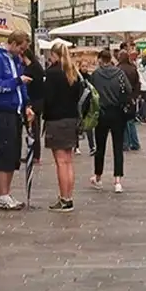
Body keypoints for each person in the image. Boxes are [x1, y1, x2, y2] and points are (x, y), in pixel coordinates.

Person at [0, 33, 32, 209]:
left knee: (13, 153)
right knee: (5, 151)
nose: (22, 52)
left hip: (16, 111)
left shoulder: (15, 59)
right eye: (21, 48)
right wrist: (16, 81)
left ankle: (7, 193)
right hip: (4, 111)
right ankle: (2, 194)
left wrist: (27, 104)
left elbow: (21, 85)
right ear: (12, 43)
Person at [44, 39, 88, 212]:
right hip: (72, 120)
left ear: (55, 55)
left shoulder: (53, 73)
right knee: (68, 161)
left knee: (60, 162)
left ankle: (64, 199)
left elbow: (48, 99)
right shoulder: (73, 73)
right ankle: (69, 197)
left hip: (56, 121)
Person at [89, 47, 132, 192]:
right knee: (118, 146)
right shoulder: (119, 73)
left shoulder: (95, 75)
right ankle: (117, 180)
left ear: (101, 60)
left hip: (101, 113)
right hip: (118, 112)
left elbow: (91, 93)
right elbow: (128, 89)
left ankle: (98, 176)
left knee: (100, 146)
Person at [24, 47, 46, 164]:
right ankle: (35, 154)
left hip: (33, 102)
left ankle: (34, 155)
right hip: (39, 101)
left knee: (33, 129)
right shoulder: (37, 66)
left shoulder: (30, 69)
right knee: (34, 129)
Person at [117, 49, 142, 152]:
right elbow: (138, 83)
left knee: (123, 122)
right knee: (131, 121)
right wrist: (135, 96)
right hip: (132, 98)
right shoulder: (133, 68)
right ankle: (135, 143)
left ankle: (125, 143)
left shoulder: (118, 69)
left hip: (122, 98)